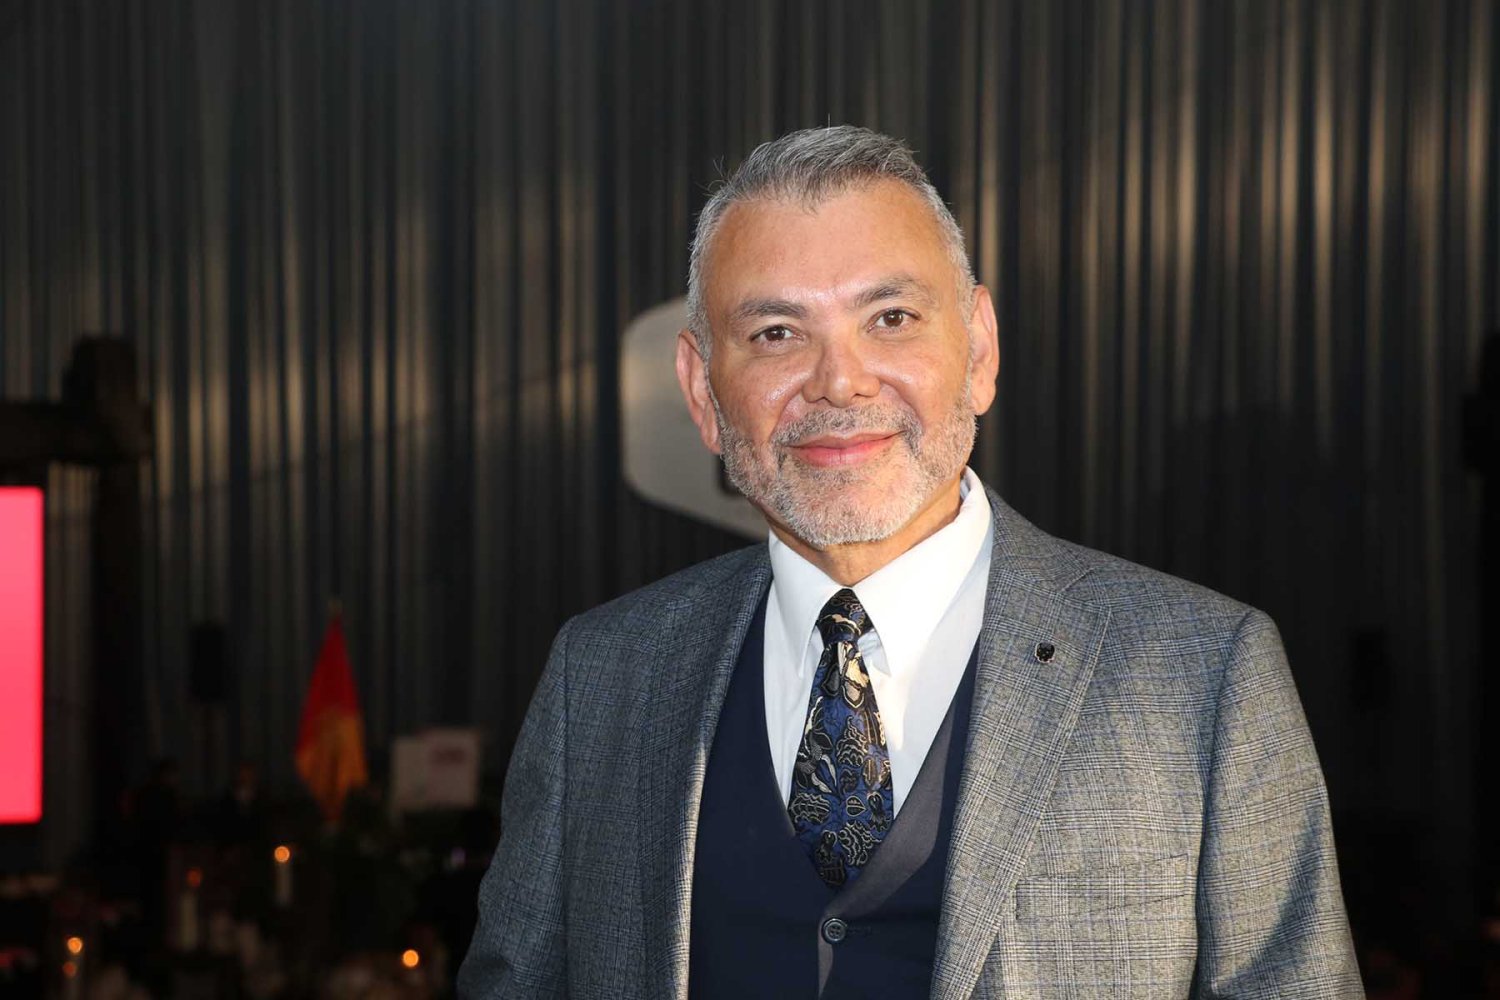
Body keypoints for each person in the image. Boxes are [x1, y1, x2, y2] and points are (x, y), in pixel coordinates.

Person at [459, 126, 1362, 998]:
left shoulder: (1203, 673)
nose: (839, 381)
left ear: (979, 351)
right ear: (702, 390)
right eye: (775, 332)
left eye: (890, 318)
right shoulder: (601, 676)